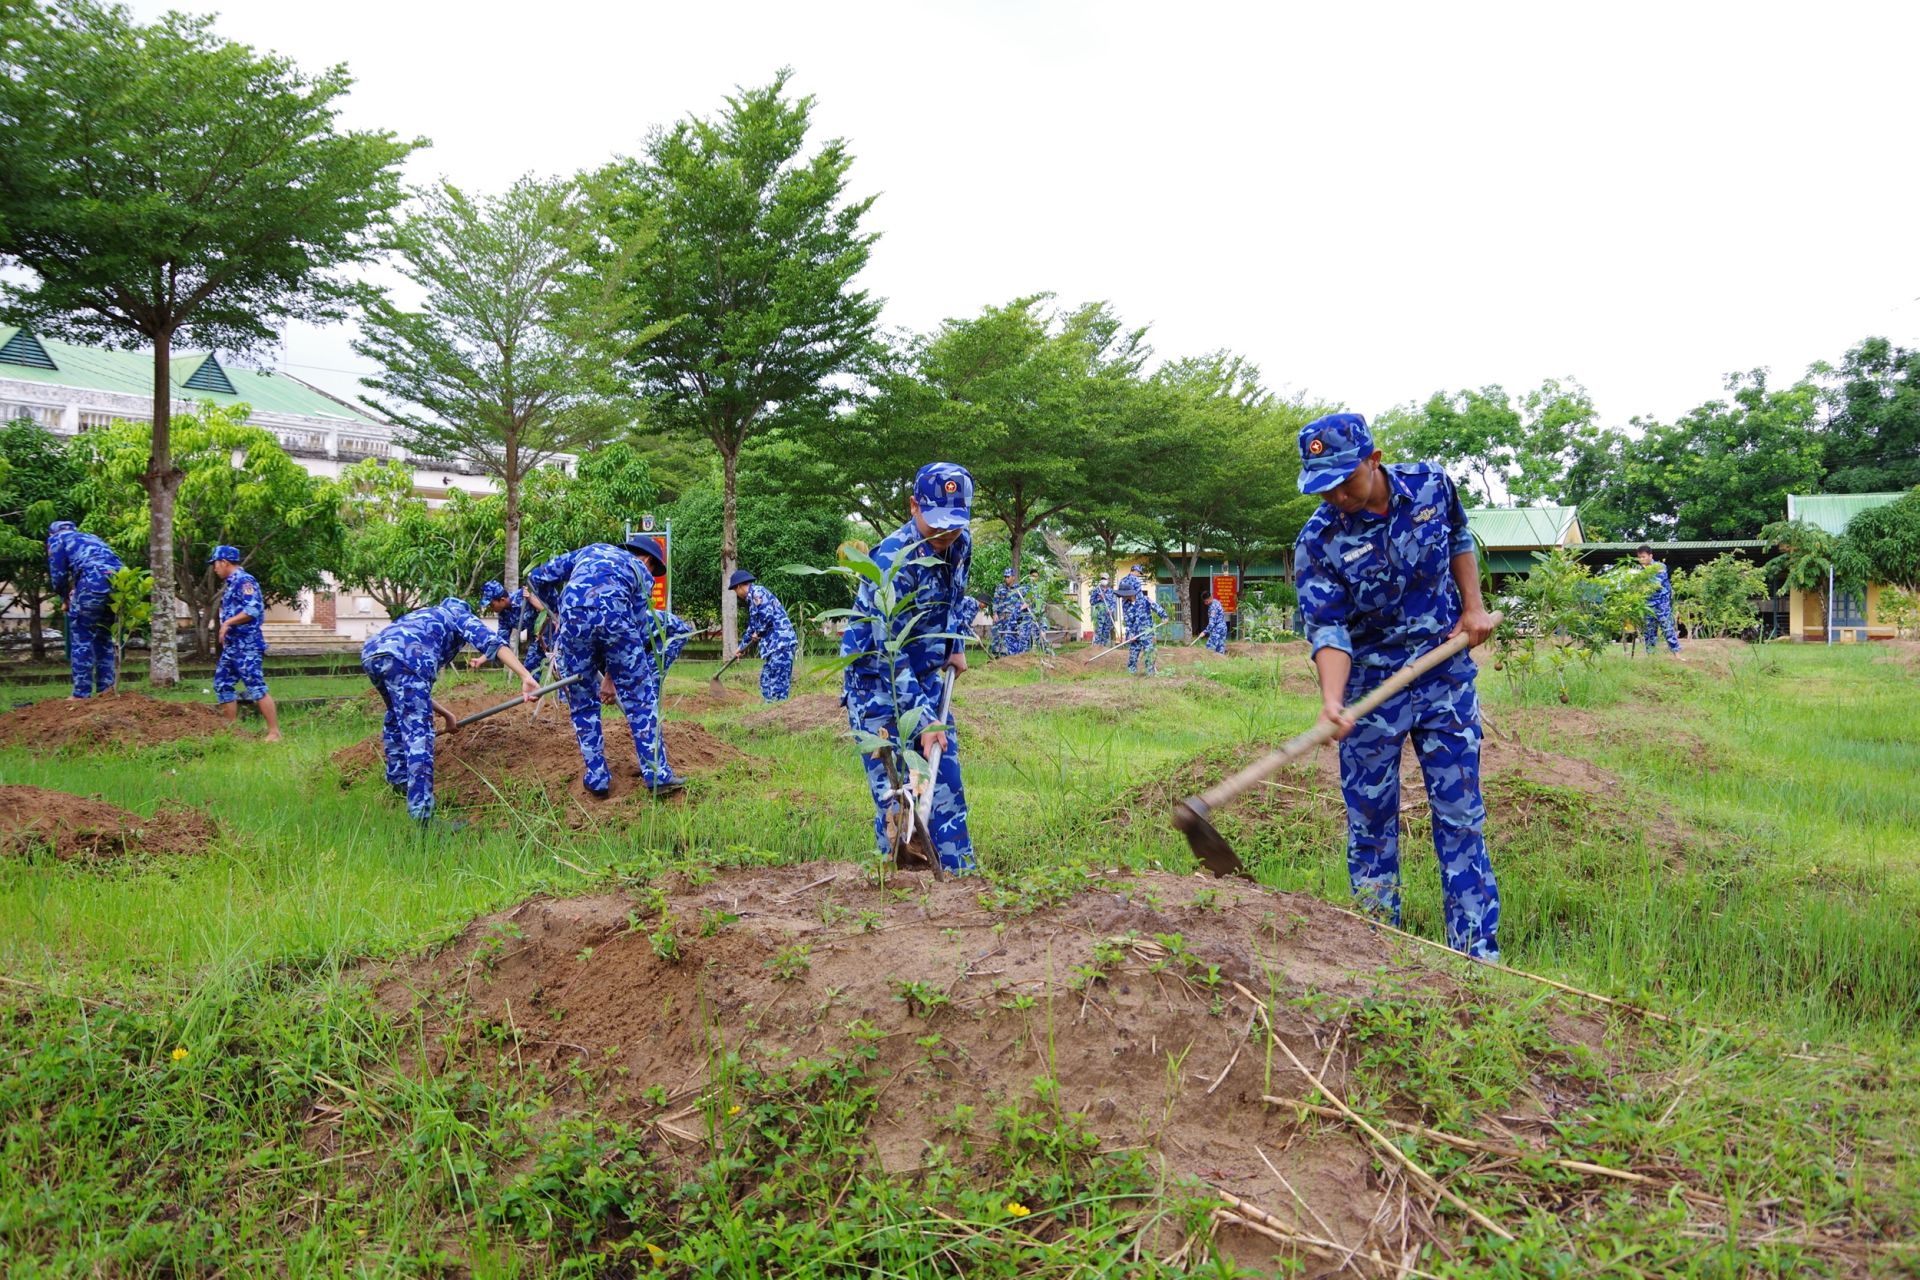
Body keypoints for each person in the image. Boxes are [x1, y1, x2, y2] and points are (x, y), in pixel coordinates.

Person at [1292, 411, 1501, 961]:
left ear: (1374, 459)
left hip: (1444, 675)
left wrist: (1473, 610)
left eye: (1345, 479)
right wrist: (1334, 701)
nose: (1336, 495)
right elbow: (1328, 627)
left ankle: (1476, 955)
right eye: (1323, 486)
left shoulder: (1431, 484)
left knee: (1460, 818)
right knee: (1371, 826)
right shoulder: (1317, 541)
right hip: (1370, 691)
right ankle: (1378, 956)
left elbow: (1458, 536)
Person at [842, 462, 976, 873]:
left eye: (954, 524)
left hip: (922, 675)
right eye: (937, 525)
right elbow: (887, 653)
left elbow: (954, 599)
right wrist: (922, 723)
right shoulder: (891, 562)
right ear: (914, 506)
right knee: (898, 793)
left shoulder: (959, 542)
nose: (946, 535)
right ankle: (901, 890)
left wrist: (953, 644)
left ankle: (959, 880)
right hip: (877, 682)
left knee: (944, 780)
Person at [361, 597, 540, 824]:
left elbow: (415, 694)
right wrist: (525, 675)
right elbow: (492, 643)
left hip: (372, 654)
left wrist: (446, 714)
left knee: (397, 716)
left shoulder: (426, 615)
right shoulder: (457, 614)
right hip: (406, 658)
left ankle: (398, 783)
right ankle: (423, 817)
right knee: (419, 735)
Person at [528, 536, 682, 799]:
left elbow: (537, 578)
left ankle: (597, 778)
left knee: (583, 704)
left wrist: (560, 612)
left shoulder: (590, 550)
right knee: (640, 700)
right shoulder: (640, 571)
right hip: (617, 622)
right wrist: (611, 677)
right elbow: (635, 627)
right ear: (647, 560)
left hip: (574, 623)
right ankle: (658, 776)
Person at [208, 545, 281, 741]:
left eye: (215, 563)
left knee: (256, 687)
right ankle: (232, 732)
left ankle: (274, 732)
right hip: (232, 646)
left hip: (247, 645)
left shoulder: (245, 581)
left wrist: (227, 623)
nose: (214, 568)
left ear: (224, 562)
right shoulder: (232, 584)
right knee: (222, 684)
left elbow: (253, 610)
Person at [45, 520, 124, 699]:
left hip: (93, 581)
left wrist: (64, 597)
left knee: (82, 636)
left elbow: (58, 576)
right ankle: (107, 692)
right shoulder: (91, 537)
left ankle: (81, 694)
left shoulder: (57, 539)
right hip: (119, 581)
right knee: (103, 636)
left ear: (51, 533)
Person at [730, 570, 799, 702]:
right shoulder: (752, 600)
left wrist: (759, 632)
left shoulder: (758, 593)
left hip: (781, 644)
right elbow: (753, 626)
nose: (737, 595)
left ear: (738, 587)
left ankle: (778, 714)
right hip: (772, 647)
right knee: (766, 680)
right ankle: (769, 711)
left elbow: (766, 616)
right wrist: (741, 647)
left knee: (778, 685)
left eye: (735, 591)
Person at [475, 579, 550, 676]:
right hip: (537, 640)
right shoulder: (503, 615)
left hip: (553, 633)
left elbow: (549, 613)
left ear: (502, 600)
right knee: (530, 670)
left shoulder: (523, 595)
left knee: (562, 667)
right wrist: (481, 659)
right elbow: (500, 640)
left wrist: (531, 598)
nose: (491, 608)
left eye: (492, 605)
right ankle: (532, 690)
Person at [1118, 565, 1166, 675]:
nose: (1123, 597)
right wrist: (1129, 634)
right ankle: (1131, 673)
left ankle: (1150, 673)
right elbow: (1128, 621)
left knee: (1149, 652)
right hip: (1134, 633)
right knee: (1133, 654)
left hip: (1146, 630)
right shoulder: (1125, 604)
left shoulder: (1144, 600)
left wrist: (1164, 616)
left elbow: (1155, 606)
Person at [1635, 545, 1682, 655]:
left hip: (1662, 604)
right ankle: (1651, 657)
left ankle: (1677, 655)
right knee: (1649, 632)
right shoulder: (1638, 570)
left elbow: (1656, 583)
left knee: (1667, 629)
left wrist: (1643, 578)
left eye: (1643, 557)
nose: (1641, 559)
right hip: (1647, 605)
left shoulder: (1659, 566)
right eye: (1639, 557)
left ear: (1650, 556)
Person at [991, 568, 1025, 656]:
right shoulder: (1000, 588)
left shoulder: (1018, 589)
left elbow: (1022, 602)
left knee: (1008, 635)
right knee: (996, 634)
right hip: (1000, 616)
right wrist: (994, 613)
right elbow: (995, 601)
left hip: (1011, 617)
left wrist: (1018, 615)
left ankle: (1005, 655)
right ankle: (995, 655)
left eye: (1008, 576)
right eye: (1005, 576)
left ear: (1013, 577)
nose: (1006, 578)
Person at [1023, 566, 1056, 654]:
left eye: (1036, 576)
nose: (1034, 578)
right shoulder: (1026, 589)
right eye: (1032, 576)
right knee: (1027, 638)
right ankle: (1027, 655)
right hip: (1029, 617)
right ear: (1029, 576)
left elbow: (1043, 605)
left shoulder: (1041, 589)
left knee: (1042, 636)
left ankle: (1047, 653)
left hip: (1039, 617)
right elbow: (1023, 603)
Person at [1091, 574, 1115, 646]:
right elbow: (1092, 602)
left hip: (1108, 615)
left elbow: (1113, 602)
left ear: (1108, 580)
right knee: (1098, 632)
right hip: (1099, 615)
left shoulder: (1110, 591)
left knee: (1106, 634)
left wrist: (1111, 610)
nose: (1103, 580)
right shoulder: (1096, 590)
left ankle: (1103, 649)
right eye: (1102, 578)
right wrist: (1099, 598)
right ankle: (1096, 649)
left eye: (1105, 578)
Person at [1204, 589, 1229, 655]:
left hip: (1217, 629)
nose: (1205, 603)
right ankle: (1221, 662)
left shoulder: (1213, 608)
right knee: (1220, 647)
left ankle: (1208, 662)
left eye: (1206, 601)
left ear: (1210, 598)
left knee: (1209, 647)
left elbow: (1212, 623)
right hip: (1223, 628)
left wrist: (1204, 632)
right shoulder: (1216, 602)